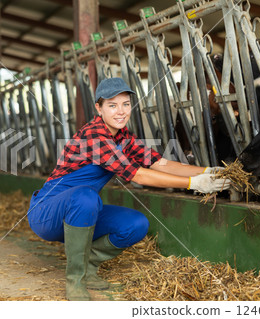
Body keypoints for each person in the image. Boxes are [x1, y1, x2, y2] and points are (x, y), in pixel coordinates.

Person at [27, 77, 230, 301]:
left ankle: (88, 266)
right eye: (112, 105)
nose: (120, 111)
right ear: (99, 108)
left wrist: (206, 172)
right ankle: (75, 280)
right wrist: (193, 184)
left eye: (125, 104)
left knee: (136, 224)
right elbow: (137, 174)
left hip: (81, 212)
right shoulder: (94, 135)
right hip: (46, 214)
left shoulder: (124, 137)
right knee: (85, 197)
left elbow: (158, 163)